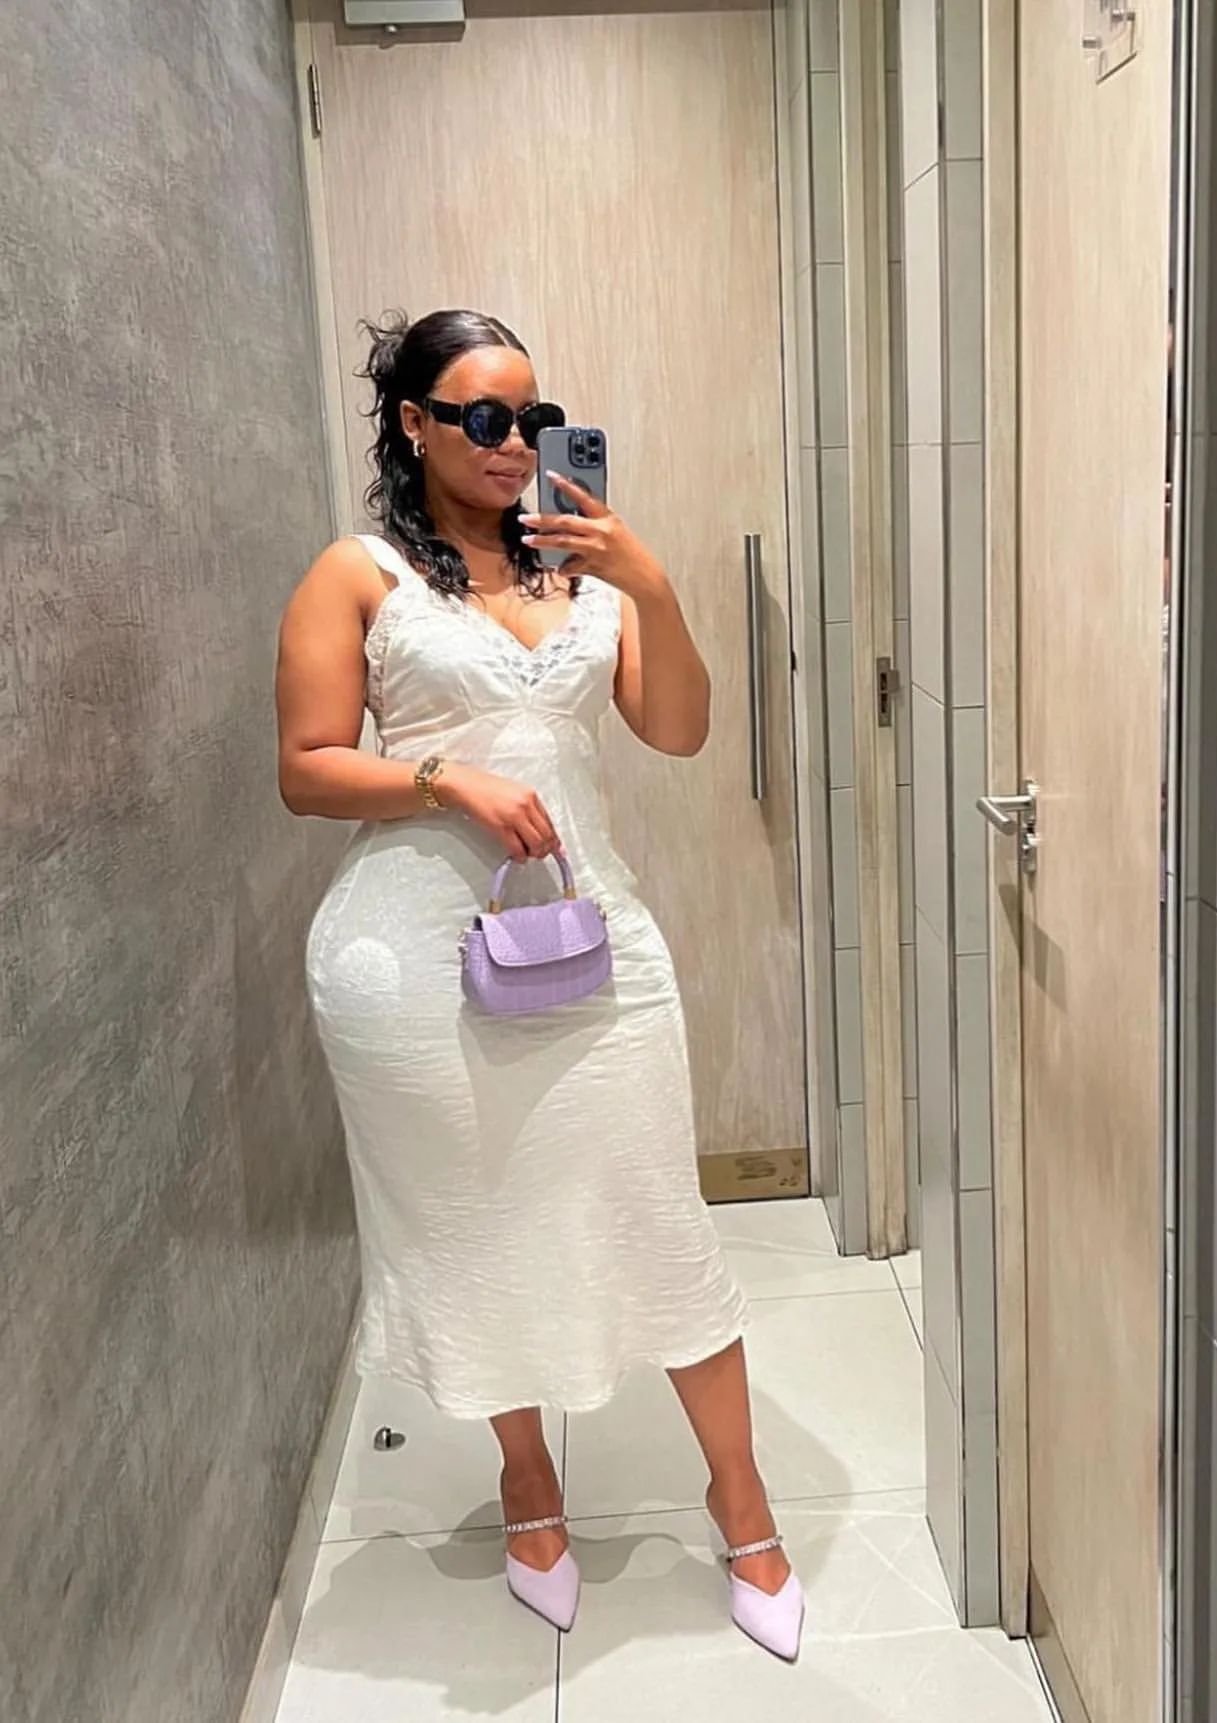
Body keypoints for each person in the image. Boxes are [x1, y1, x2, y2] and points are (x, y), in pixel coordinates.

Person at [274, 309, 803, 1660]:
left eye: (533, 417)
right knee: (477, 1225)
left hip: (592, 934)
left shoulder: (586, 570)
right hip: (411, 958)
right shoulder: (358, 574)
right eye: (483, 418)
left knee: (656, 1215)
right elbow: (306, 768)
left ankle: (741, 1499)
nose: (514, 443)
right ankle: (527, 1479)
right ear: (415, 424)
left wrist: (652, 582)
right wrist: (443, 776)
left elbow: (678, 730)